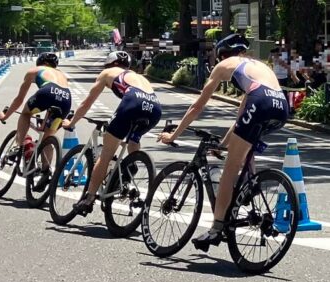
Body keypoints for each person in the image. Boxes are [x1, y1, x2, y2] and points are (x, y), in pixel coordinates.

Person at [158, 34, 289, 251]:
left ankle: (216, 228)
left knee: (229, 169)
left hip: (261, 102)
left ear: (221, 55)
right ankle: (250, 185)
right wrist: (224, 145)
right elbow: (241, 120)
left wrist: (173, 136)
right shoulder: (257, 65)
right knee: (245, 145)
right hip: (281, 106)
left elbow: (196, 107)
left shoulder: (223, 66)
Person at [62, 51, 162, 215]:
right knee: (133, 139)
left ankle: (88, 199)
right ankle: (131, 164)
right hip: (155, 108)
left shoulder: (107, 73)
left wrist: (72, 122)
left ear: (111, 64)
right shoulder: (137, 76)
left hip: (133, 102)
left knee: (107, 153)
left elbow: (88, 102)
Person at [0, 52, 72, 191]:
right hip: (66, 98)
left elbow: (19, 99)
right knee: (48, 136)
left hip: (47, 92)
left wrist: (5, 116)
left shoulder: (35, 70)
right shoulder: (61, 74)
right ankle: (45, 170)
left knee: (25, 114)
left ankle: (18, 147)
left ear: (39, 62)